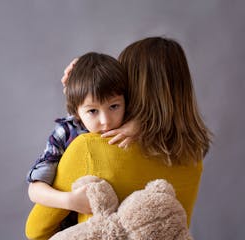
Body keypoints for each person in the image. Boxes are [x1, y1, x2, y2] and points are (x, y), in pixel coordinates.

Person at [25, 37, 212, 240]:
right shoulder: (193, 154)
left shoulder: (89, 147)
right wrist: (86, 72)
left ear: (129, 87)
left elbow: (36, 230)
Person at [26, 52, 129, 225]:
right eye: (92, 111)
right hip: (73, 227)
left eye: (114, 106)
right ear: (76, 111)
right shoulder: (66, 132)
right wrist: (70, 201)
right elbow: (34, 190)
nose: (106, 121)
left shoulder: (128, 125)